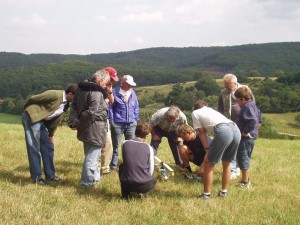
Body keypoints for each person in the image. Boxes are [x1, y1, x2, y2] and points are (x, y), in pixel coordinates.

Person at [22, 84, 78, 185]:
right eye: (76, 97)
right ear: (70, 94)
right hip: (32, 117)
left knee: (48, 147)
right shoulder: (55, 94)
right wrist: (26, 110)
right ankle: (36, 178)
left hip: (41, 122)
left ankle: (50, 176)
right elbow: (33, 98)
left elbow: (55, 121)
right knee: (34, 148)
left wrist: (51, 135)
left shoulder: (66, 105)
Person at [69, 69, 110, 187]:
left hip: (85, 129)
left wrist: (75, 122)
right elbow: (92, 112)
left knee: (91, 155)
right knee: (91, 160)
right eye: (105, 83)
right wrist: (79, 122)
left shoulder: (80, 89)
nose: (105, 85)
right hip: (95, 129)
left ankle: (96, 179)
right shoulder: (96, 92)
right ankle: (86, 184)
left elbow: (74, 107)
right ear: (100, 80)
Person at [192, 100, 241, 199]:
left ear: (195, 108)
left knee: (209, 164)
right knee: (227, 163)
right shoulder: (211, 110)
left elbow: (201, 132)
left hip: (223, 130)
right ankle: (223, 192)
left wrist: (207, 149)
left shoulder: (195, 113)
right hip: (235, 129)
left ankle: (206, 195)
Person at [218, 73, 256, 179]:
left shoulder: (245, 90)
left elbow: (252, 105)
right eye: (225, 86)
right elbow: (220, 108)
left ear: (235, 84)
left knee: (241, 147)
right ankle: (233, 169)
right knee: (231, 146)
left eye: (229, 86)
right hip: (228, 123)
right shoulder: (222, 92)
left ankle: (239, 168)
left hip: (242, 123)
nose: (227, 89)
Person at [109, 75, 139, 170]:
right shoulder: (114, 92)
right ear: (123, 82)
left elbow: (136, 107)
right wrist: (112, 121)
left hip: (131, 123)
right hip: (117, 123)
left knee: (130, 145)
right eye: (129, 84)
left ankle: (129, 165)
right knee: (116, 146)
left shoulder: (133, 93)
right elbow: (110, 107)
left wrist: (135, 119)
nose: (131, 86)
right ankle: (113, 166)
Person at [119, 122, 156, 199]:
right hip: (143, 185)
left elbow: (126, 161)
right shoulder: (149, 148)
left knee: (122, 166)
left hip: (126, 183)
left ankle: (125, 194)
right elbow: (151, 169)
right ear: (146, 136)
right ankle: (142, 192)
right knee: (154, 180)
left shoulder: (124, 143)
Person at [234, 86, 262, 188]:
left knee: (243, 157)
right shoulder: (252, 104)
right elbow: (259, 116)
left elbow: (252, 120)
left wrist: (245, 132)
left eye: (237, 100)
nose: (237, 103)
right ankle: (245, 179)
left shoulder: (246, 107)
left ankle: (245, 182)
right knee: (245, 157)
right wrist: (257, 126)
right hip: (251, 137)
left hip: (246, 138)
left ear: (242, 99)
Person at [99, 67, 119, 175]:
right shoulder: (97, 86)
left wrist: (110, 91)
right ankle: (96, 168)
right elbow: (100, 103)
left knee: (108, 144)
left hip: (105, 119)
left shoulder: (108, 87)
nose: (112, 81)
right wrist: (106, 100)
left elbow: (111, 101)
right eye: (111, 79)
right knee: (98, 144)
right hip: (97, 119)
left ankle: (105, 168)